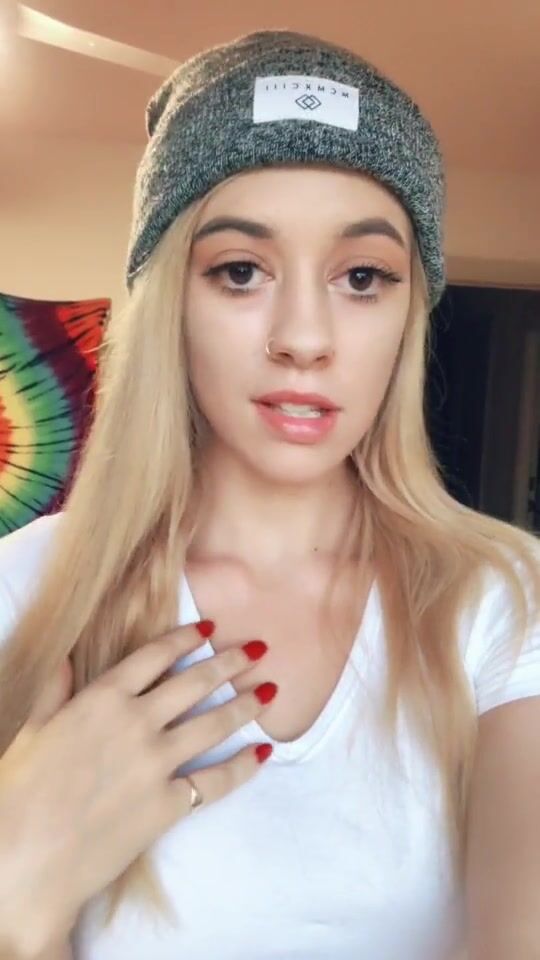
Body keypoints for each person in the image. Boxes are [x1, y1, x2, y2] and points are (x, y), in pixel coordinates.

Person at [0, 27, 539, 960]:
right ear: (170, 299)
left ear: (409, 312)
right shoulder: (24, 592)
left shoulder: (505, 600)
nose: (305, 338)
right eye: (240, 271)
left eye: (362, 277)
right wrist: (18, 899)